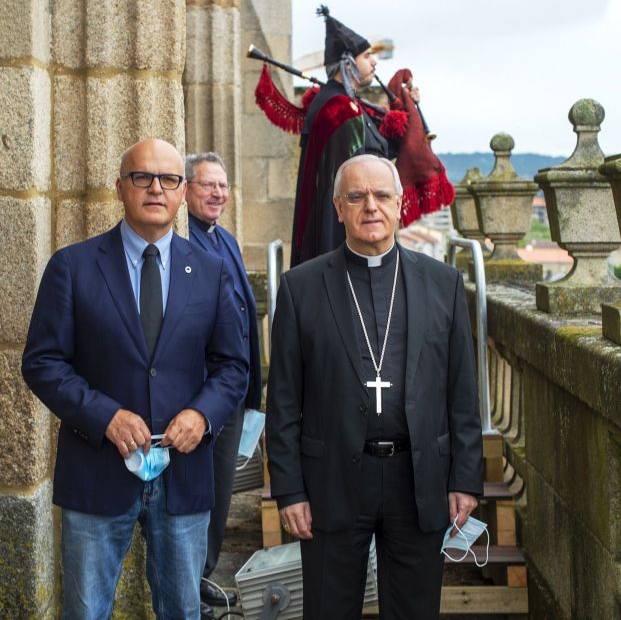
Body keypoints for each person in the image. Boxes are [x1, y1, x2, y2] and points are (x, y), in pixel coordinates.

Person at [21, 138, 249, 620]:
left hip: (184, 474)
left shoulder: (210, 271)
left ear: (182, 191)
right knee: (86, 612)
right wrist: (105, 416)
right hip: (97, 469)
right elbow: (42, 362)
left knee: (183, 611)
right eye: (142, 177)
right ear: (121, 188)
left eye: (168, 179)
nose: (155, 189)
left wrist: (201, 414)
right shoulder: (73, 266)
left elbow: (233, 366)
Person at [266, 155, 483, 619]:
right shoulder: (300, 287)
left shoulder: (442, 284)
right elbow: (283, 399)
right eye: (357, 196)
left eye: (382, 195)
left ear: (400, 204)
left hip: (418, 477)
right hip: (332, 480)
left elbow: (462, 391)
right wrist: (289, 490)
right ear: (337, 207)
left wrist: (464, 478)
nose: (371, 206)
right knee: (328, 608)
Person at [185, 152, 262, 620]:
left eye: (223, 185)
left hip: (234, 392)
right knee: (196, 496)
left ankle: (204, 573)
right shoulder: (182, 241)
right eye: (207, 185)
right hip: (201, 395)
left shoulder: (226, 239)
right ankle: (188, 585)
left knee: (220, 492)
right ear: (187, 189)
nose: (217, 193)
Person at [290, 5, 421, 267]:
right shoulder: (339, 109)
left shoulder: (344, 104)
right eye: (366, 56)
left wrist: (407, 106)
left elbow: (380, 148)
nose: (374, 62)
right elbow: (357, 177)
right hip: (340, 238)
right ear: (347, 62)